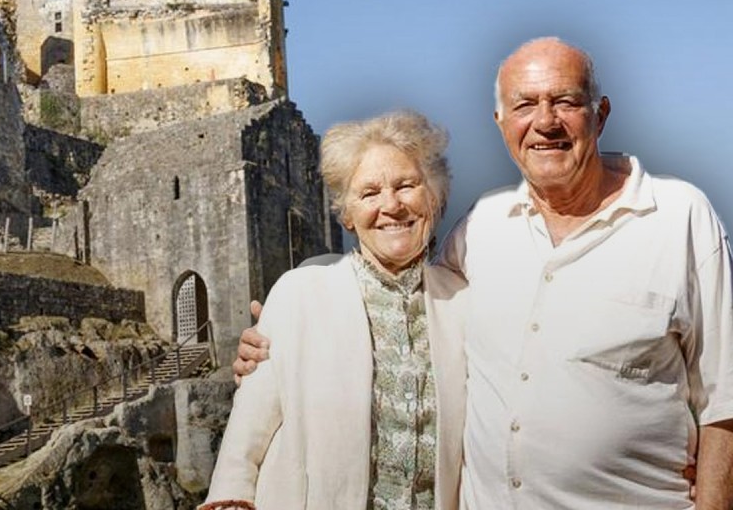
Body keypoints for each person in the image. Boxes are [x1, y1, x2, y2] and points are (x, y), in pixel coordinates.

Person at [233, 37, 733, 509]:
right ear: (500, 122)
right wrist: (280, 324)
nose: (545, 122)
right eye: (524, 104)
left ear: (599, 114)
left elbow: (725, 400)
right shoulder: (484, 228)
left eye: (565, 101)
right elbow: (383, 275)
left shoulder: (679, 217)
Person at [202, 110, 467, 510]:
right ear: (347, 214)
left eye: (407, 185)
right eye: (369, 193)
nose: (391, 205)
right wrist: (231, 498)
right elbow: (248, 431)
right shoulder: (298, 293)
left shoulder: (464, 303)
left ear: (435, 197)